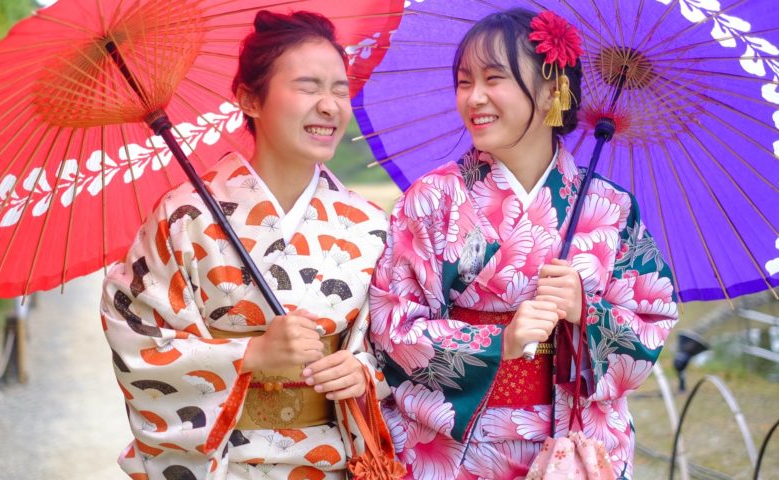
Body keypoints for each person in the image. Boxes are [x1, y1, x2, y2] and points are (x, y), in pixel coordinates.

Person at [368, 8, 678, 479]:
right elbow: (391, 329)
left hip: (576, 448)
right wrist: (500, 342)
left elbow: (651, 321)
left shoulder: (610, 207)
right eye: (464, 82)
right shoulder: (431, 200)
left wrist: (585, 311)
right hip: (459, 451)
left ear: (553, 90)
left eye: (494, 78)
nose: (474, 97)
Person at [101, 10, 391, 479]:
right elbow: (136, 333)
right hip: (226, 466)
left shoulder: (370, 226)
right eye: (308, 87)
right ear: (249, 99)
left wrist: (361, 372)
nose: (330, 106)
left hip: (329, 464)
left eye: (340, 90)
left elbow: (402, 344)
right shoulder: (185, 218)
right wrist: (250, 356)